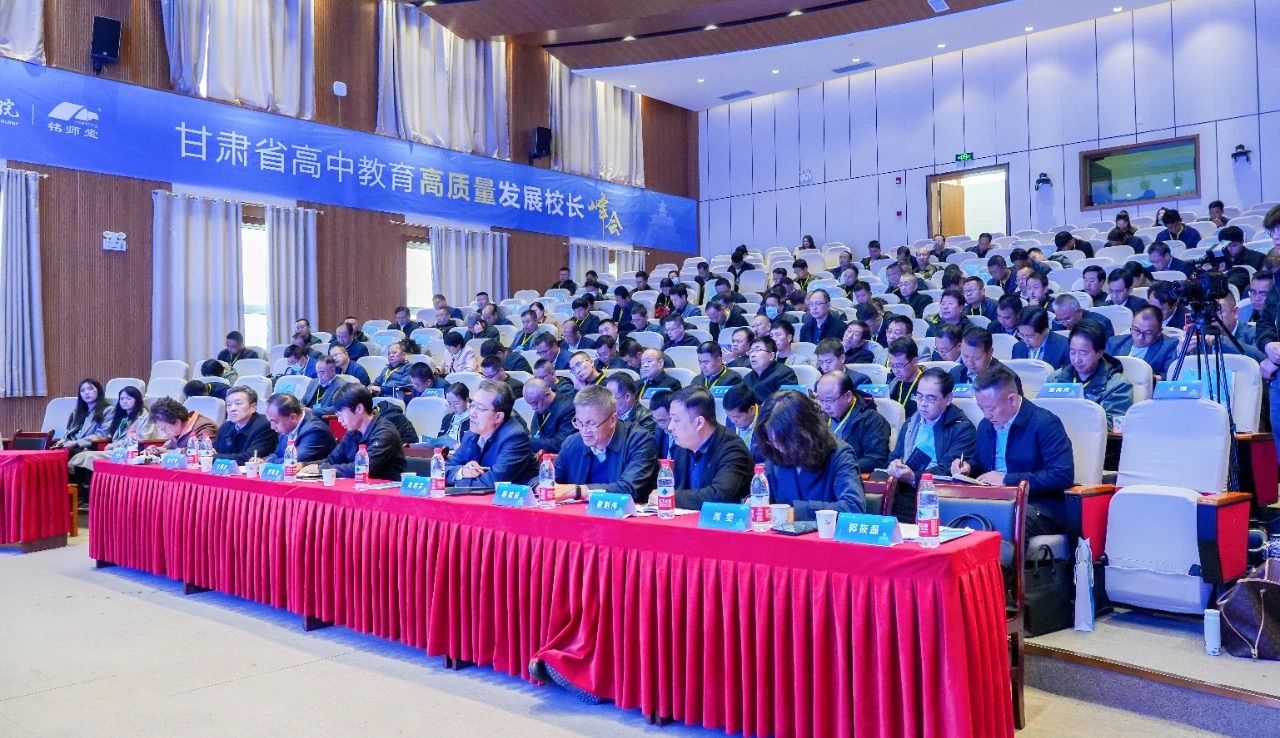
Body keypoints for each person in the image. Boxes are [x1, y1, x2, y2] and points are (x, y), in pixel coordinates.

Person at [953, 366, 1074, 530]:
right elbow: (981, 462)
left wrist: (1006, 480)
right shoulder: (985, 425)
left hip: (1039, 504)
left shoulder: (1045, 423)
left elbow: (1062, 475)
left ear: (1012, 400)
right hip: (995, 500)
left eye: (990, 408)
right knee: (955, 516)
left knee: (998, 523)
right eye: (981, 408)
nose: (986, 415)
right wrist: (968, 468)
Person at [752, 391, 866, 520]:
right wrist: (753, 502)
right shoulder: (775, 453)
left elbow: (853, 507)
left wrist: (796, 513)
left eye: (782, 440)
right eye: (772, 440)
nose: (777, 447)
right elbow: (765, 501)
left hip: (824, 531)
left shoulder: (839, 454)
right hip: (780, 531)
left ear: (805, 432)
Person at [885, 368, 977, 522]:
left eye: (931, 398)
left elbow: (947, 470)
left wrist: (913, 477)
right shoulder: (911, 423)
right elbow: (894, 456)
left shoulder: (962, 428)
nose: (922, 404)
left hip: (938, 495)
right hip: (903, 489)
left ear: (948, 399)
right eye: (919, 396)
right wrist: (894, 465)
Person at [645, 387, 753, 510]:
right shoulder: (680, 447)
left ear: (699, 423)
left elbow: (718, 496)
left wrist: (668, 497)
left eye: (676, 420)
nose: (670, 427)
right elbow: (679, 488)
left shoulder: (733, 450)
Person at [549, 385, 659, 502]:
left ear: (612, 420)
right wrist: (541, 485)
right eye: (579, 422)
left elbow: (629, 488)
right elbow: (550, 480)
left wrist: (579, 491)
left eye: (591, 423)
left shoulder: (639, 440)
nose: (584, 430)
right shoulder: (572, 443)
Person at [298, 384, 405, 481]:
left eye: (341, 414)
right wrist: (303, 465)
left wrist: (322, 469)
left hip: (385, 492)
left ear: (359, 408)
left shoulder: (385, 432)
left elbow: (362, 468)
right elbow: (332, 460)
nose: (339, 420)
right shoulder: (353, 431)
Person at [445, 380, 536, 487]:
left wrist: (458, 483)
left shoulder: (515, 437)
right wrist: (462, 472)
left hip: (511, 496)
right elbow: (443, 469)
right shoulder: (472, 433)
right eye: (472, 405)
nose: (472, 413)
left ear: (498, 417)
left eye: (480, 408)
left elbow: (493, 482)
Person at [1048, 323, 1134, 430]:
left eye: (1083, 353)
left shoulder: (1118, 385)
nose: (1076, 360)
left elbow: (1112, 425)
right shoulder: (1055, 378)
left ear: (1099, 353)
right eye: (1072, 352)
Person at [814, 370, 890, 474]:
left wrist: (838, 466)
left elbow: (876, 460)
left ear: (848, 396)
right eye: (820, 400)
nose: (824, 406)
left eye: (829, 400)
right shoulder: (819, 416)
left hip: (851, 477)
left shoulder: (871, 420)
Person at [1105, 305, 1177, 378]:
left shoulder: (1170, 346)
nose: (1140, 337)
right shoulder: (1114, 343)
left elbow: (1169, 376)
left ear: (1159, 332)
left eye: (1147, 333)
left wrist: (1147, 378)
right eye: (1136, 330)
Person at [212, 386, 279, 464]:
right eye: (229, 405)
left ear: (253, 407)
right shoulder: (225, 427)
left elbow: (250, 458)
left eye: (238, 404)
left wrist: (214, 457)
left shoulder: (265, 425)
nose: (232, 409)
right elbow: (215, 451)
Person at [262, 392, 336, 464]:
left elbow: (292, 461)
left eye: (275, 422)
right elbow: (278, 453)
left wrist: (266, 463)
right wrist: (262, 461)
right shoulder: (288, 426)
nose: (272, 427)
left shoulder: (315, 431)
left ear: (293, 417)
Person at [140, 398, 218, 459]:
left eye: (164, 429)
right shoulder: (178, 431)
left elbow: (202, 452)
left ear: (177, 422)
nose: (164, 433)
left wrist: (166, 452)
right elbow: (169, 449)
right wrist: (157, 450)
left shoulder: (205, 427)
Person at [53, 379, 111, 452]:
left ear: (98, 390)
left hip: (88, 449)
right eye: (82, 390)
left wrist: (77, 443)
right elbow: (70, 432)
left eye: (90, 389)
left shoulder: (108, 410)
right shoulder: (76, 413)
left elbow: (102, 434)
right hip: (70, 448)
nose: (86, 393)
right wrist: (63, 440)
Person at [523, 377, 576, 455]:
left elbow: (561, 444)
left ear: (547, 395)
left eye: (535, 403)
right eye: (530, 404)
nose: (533, 408)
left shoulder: (568, 409)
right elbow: (536, 431)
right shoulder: (541, 403)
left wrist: (528, 443)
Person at [743, 335, 799, 404]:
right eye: (751, 351)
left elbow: (788, 403)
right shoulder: (747, 378)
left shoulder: (785, 373)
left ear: (771, 356)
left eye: (758, 350)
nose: (752, 355)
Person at [416, 382, 471, 449]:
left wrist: (455, 445)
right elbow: (440, 439)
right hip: (444, 452)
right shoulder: (447, 418)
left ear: (467, 400)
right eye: (449, 403)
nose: (452, 407)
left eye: (456, 403)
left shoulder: (473, 419)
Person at [1051, 294, 1115, 340]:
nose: (1064, 323)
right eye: (1060, 320)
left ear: (1080, 311)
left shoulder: (1102, 323)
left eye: (1067, 318)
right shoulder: (1056, 323)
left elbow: (1108, 350)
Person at [886, 338, 922, 417]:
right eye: (892, 365)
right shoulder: (891, 381)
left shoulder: (928, 385)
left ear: (915, 361)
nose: (896, 371)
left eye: (899, 365)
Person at [649, 390, 677, 459]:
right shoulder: (659, 429)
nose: (659, 425)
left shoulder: (685, 436)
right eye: (655, 420)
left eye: (662, 421)